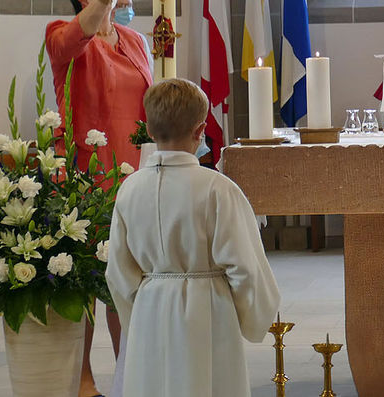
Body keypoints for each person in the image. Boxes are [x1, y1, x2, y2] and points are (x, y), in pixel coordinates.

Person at [106, 78, 280, 396]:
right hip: (208, 310)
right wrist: (253, 316)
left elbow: (117, 271)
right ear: (200, 131)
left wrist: (140, 310)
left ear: (148, 128)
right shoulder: (217, 189)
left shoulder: (129, 188)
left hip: (150, 309)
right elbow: (245, 267)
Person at [45, 0, 152, 397]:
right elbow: (81, 31)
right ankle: (83, 375)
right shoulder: (61, 34)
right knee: (89, 279)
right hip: (87, 174)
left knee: (132, 280)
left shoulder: (135, 41)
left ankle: (131, 370)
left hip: (137, 173)